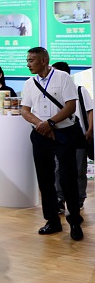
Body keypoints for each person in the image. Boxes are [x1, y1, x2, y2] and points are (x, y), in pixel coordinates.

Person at [20, 47, 83, 241]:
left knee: (68, 178)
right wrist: (41, 125)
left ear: (44, 60)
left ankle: (74, 221)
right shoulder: (29, 83)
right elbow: (25, 110)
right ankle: (52, 220)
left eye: (31, 60)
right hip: (40, 135)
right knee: (45, 179)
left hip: (63, 134)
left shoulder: (63, 78)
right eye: (27, 60)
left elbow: (71, 106)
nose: (28, 64)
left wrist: (51, 123)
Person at [52, 62, 93, 211]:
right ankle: (60, 198)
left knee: (79, 168)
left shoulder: (80, 90)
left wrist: (89, 130)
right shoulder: (53, 92)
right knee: (58, 168)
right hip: (60, 135)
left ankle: (79, 198)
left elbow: (90, 110)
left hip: (79, 134)